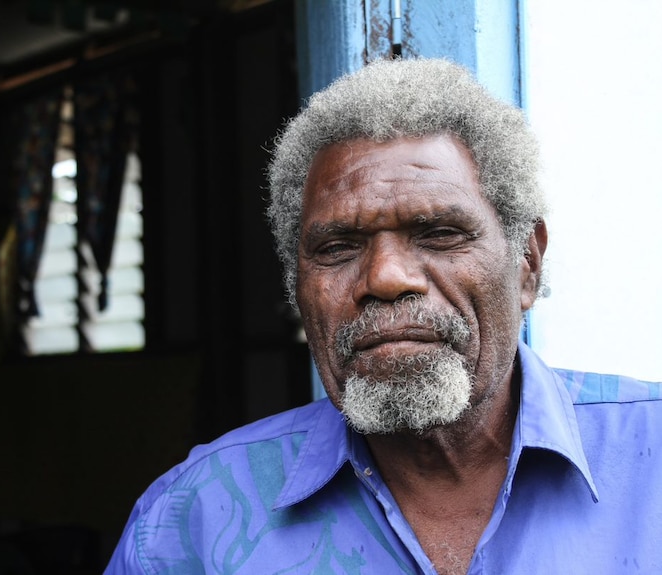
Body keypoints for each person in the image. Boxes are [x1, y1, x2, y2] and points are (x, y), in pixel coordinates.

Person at [103, 58, 662, 574]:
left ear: (527, 264)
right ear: (297, 287)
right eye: (338, 247)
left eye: (440, 234)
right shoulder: (191, 522)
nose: (387, 278)